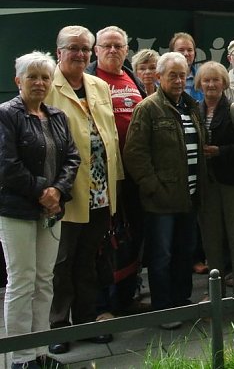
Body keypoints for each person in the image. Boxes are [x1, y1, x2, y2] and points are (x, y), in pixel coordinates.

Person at [0, 52, 80, 369]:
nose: (39, 82)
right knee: (22, 282)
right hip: (16, 211)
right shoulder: (6, 115)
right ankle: (20, 359)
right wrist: (42, 192)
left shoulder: (58, 116)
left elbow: (72, 158)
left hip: (52, 210)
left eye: (45, 77)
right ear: (18, 81)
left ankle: (40, 353)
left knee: (45, 280)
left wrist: (57, 191)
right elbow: (7, 165)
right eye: (32, 77)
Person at [45, 26, 122, 354]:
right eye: (73, 48)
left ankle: (87, 319)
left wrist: (116, 183)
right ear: (59, 52)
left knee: (90, 258)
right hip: (65, 192)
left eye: (84, 49)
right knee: (62, 262)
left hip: (100, 191)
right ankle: (58, 326)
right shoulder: (47, 85)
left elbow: (110, 134)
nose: (80, 54)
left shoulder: (98, 85)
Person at [123, 52, 205, 329]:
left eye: (183, 75)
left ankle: (181, 300)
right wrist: (153, 188)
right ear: (159, 77)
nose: (179, 80)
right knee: (162, 256)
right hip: (161, 201)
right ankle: (163, 308)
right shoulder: (148, 108)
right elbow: (134, 154)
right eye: (173, 75)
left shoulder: (191, 106)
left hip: (189, 196)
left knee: (184, 251)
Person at [87, 26, 147, 316]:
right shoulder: (87, 80)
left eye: (118, 46)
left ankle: (126, 297)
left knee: (132, 236)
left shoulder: (134, 80)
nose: (112, 50)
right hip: (101, 177)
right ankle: (101, 307)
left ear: (126, 50)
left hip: (134, 175)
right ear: (96, 50)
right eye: (107, 45)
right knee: (102, 242)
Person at [194, 62, 234, 296]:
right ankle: (215, 293)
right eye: (206, 80)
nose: (211, 84)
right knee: (211, 241)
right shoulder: (194, 111)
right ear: (199, 83)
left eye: (216, 79)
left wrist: (221, 151)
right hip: (207, 184)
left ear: (224, 82)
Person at [170, 32, 203, 102]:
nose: (186, 54)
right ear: (172, 53)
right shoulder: (162, 80)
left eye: (190, 50)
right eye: (181, 50)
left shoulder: (203, 79)